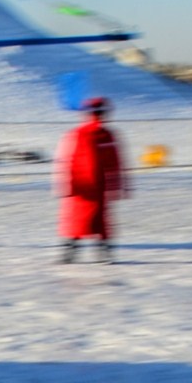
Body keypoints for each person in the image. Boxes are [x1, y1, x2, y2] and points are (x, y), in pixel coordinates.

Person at [54, 96, 130, 263]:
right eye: (98, 113)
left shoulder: (83, 134)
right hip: (83, 187)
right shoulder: (94, 135)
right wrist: (118, 186)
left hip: (86, 187)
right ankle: (92, 253)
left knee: (84, 221)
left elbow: (64, 160)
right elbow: (66, 160)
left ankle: (75, 253)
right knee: (90, 221)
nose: (99, 116)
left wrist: (64, 185)